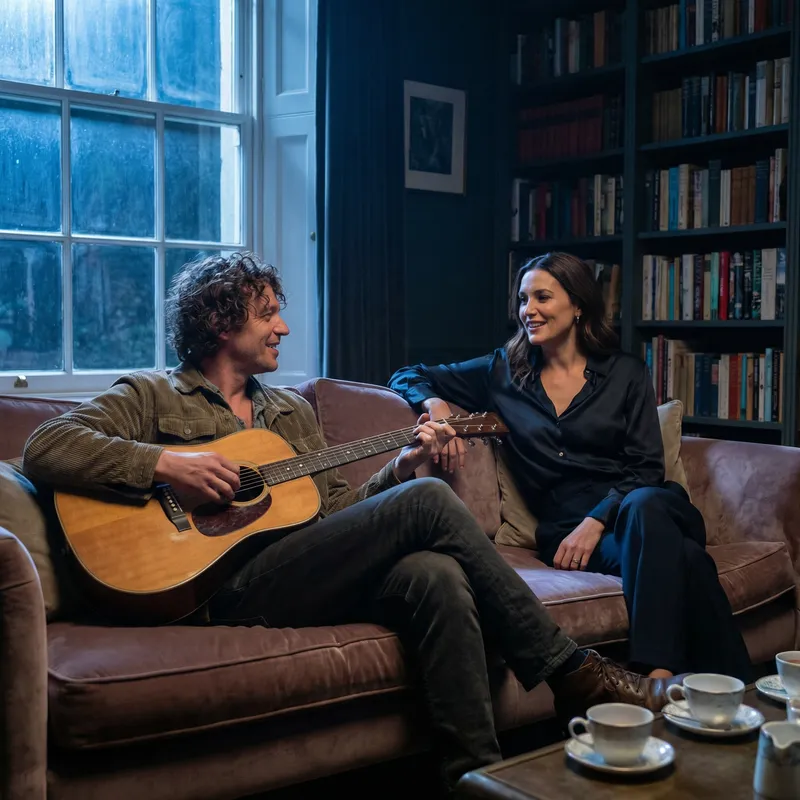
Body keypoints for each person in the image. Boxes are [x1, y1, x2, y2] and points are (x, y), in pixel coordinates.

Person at [23, 252, 682, 793]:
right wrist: (168, 465)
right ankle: (570, 669)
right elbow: (46, 447)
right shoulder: (151, 396)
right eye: (268, 314)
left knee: (436, 573)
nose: (282, 327)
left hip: (299, 573)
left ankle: (477, 777)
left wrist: (403, 468)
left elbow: (336, 511)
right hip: (214, 587)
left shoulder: (288, 414)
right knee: (428, 509)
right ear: (223, 323)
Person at [389, 251, 751, 685]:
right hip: (569, 533)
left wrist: (596, 521)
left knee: (644, 505)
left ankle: (653, 675)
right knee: (689, 561)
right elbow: (407, 374)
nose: (529, 310)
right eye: (523, 299)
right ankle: (739, 689)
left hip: (647, 509)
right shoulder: (503, 370)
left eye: (542, 297)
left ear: (578, 305)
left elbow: (646, 470)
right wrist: (438, 406)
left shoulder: (626, 373)